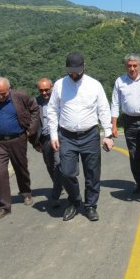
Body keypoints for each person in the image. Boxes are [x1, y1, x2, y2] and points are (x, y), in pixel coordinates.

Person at [48, 52, 114, 222]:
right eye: (71, 71)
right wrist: (54, 134)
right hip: (67, 136)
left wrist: (107, 134)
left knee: (92, 173)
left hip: (90, 135)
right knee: (66, 171)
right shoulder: (59, 85)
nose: (74, 74)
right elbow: (53, 110)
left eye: (77, 70)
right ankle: (75, 201)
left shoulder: (94, 85)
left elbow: (103, 110)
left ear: (84, 66)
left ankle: (91, 205)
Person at [0, 77, 40, 220]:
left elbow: (35, 110)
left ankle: (25, 192)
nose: (0, 96)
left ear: (9, 89)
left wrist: (30, 130)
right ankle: (4, 206)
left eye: (4, 93)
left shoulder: (21, 96)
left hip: (18, 139)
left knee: (21, 168)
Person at [111, 54, 140, 195]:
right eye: (129, 66)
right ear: (125, 66)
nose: (132, 68)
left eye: (135, 66)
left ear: (139, 66)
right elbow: (115, 103)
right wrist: (113, 125)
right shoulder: (120, 81)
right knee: (134, 153)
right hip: (128, 121)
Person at [34, 78, 64, 208]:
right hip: (45, 138)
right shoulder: (35, 102)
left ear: (52, 87)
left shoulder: (60, 99)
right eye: (41, 90)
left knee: (58, 163)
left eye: (47, 90)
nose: (44, 93)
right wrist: (35, 141)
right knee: (49, 164)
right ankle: (58, 185)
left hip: (60, 135)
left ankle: (56, 193)